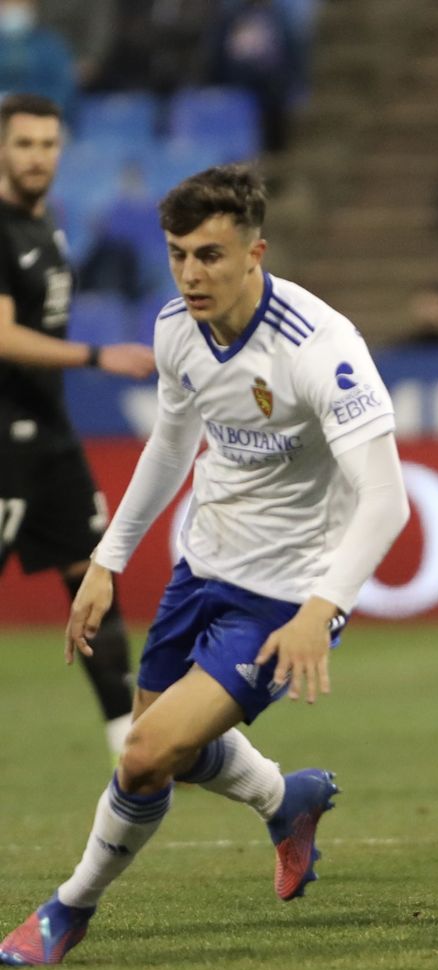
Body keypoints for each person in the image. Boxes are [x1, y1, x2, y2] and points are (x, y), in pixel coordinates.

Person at [0, 165, 410, 967]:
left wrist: (321, 608)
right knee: (170, 756)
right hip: (203, 565)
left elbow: (387, 501)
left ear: (255, 252)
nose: (193, 273)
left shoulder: (319, 348)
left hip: (286, 594)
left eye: (212, 255)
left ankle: (68, 907)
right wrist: (107, 562)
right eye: (180, 254)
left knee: (146, 752)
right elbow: (171, 442)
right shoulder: (175, 329)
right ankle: (283, 799)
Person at [0, 94, 155, 757]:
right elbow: (3, 335)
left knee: (91, 573)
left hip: (52, 432)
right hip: (4, 436)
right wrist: (96, 355)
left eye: (48, 144)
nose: (38, 157)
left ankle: (132, 744)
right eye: (25, 144)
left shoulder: (47, 226)